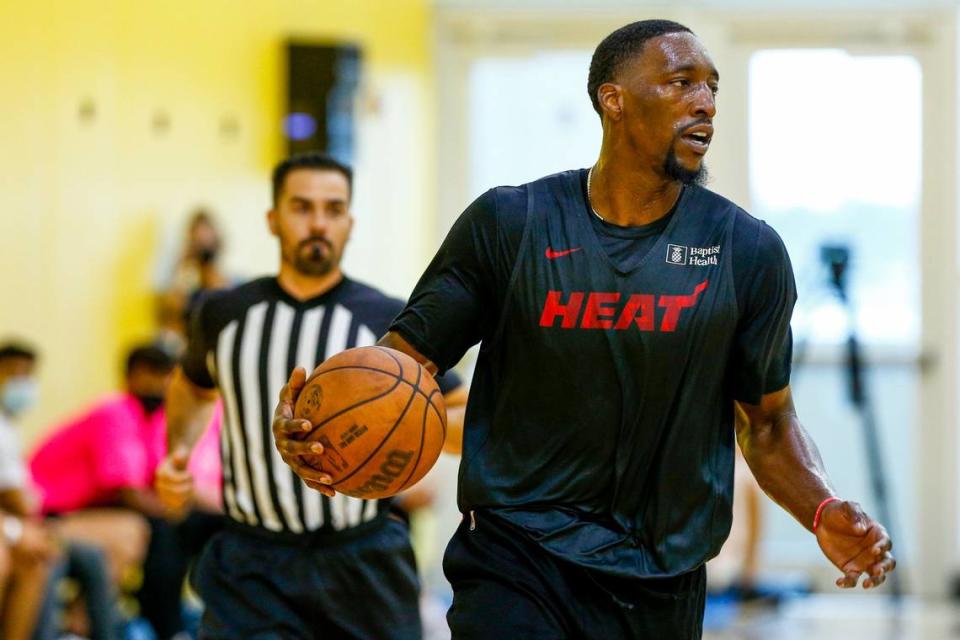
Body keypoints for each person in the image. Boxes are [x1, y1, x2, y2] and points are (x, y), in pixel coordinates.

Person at [273, 20, 896, 639]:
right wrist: (321, 429)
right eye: (682, 83)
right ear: (614, 100)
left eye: (712, 87)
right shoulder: (509, 223)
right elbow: (398, 370)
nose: (704, 102)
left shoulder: (747, 252)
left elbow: (767, 422)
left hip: (661, 573)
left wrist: (820, 505)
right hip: (514, 558)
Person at [155, 151, 467, 639]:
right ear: (273, 220)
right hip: (251, 562)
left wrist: (402, 433)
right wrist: (177, 451)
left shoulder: (390, 319)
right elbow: (191, 388)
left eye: (333, 209)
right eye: (302, 207)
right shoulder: (221, 313)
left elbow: (462, 417)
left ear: (350, 221)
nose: (318, 222)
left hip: (362, 557)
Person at [29, 345, 199, 640]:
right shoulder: (114, 413)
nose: (164, 385)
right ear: (133, 375)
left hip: (87, 513)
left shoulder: (147, 420)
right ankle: (86, 626)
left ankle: (161, 623)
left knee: (165, 528)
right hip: (45, 517)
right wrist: (175, 510)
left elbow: (155, 485)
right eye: (157, 375)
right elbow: (129, 494)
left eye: (169, 376)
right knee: (138, 531)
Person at [0, 342, 56, 640]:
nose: (22, 383)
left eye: (28, 375)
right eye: (14, 373)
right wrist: (14, 530)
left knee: (36, 559)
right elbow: (15, 499)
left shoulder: (9, 427)